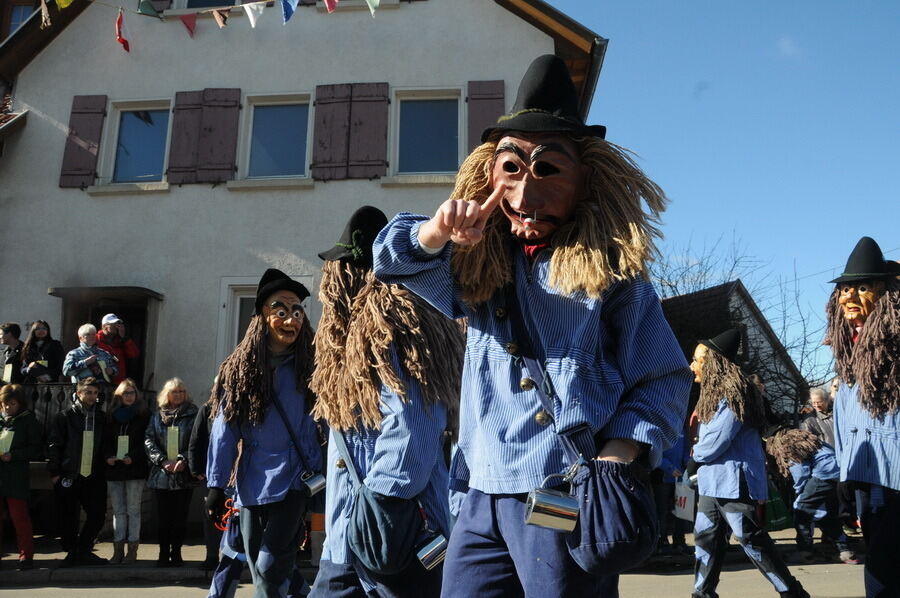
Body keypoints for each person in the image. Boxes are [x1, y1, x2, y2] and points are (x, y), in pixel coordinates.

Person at [373, 54, 692, 597]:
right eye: (512, 169)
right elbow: (396, 264)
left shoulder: (613, 276)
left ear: (585, 180)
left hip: (561, 492)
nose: (525, 193)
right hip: (478, 496)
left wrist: (618, 453)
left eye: (548, 169)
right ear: (488, 174)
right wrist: (436, 232)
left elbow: (664, 378)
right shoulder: (476, 266)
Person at [308, 207, 464, 597]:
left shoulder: (393, 321)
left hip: (393, 530)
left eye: (340, 269)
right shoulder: (350, 338)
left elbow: (414, 419)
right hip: (351, 536)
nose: (330, 280)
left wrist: (383, 500)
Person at [206, 268, 321, 598]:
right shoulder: (240, 370)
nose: (291, 320)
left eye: (297, 311)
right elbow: (224, 430)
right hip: (252, 483)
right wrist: (216, 484)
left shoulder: (313, 366)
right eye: (281, 311)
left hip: (296, 480)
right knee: (262, 563)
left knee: (270, 567)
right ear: (261, 316)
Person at [687, 329, 809, 598]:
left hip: (734, 482)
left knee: (751, 540)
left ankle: (791, 593)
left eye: (697, 359)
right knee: (705, 539)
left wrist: (695, 456)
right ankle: (702, 593)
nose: (692, 365)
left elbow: (719, 438)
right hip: (712, 481)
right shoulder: (712, 393)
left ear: (714, 362)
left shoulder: (736, 392)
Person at [825, 236, 900, 598]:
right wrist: (844, 471)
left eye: (862, 287)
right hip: (863, 476)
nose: (848, 297)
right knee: (882, 561)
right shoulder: (850, 357)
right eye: (844, 290)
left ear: (886, 294)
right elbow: (844, 418)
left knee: (885, 568)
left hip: (893, 477)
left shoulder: (895, 346)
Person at [765, 428, 857, 565]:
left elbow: (801, 472)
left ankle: (805, 552)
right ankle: (845, 551)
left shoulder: (788, 445)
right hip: (840, 474)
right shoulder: (811, 440)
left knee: (801, 510)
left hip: (822, 475)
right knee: (828, 514)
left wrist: (800, 491)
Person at [47, 377, 109, 566]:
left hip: (94, 474)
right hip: (69, 474)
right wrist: (55, 473)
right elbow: (54, 445)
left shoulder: (101, 417)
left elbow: (106, 444)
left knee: (97, 515)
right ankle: (72, 552)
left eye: (95, 393)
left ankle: (83, 549)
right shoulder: (65, 416)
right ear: (79, 392)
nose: (92, 396)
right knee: (68, 517)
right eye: (88, 392)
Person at [144, 377, 198, 567]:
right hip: (162, 475)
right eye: (175, 391)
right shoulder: (157, 416)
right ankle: (163, 553)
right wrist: (162, 460)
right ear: (167, 394)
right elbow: (149, 440)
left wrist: (184, 459)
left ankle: (176, 553)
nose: (179, 395)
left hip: (184, 475)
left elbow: (196, 441)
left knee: (180, 517)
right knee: (164, 517)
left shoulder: (193, 414)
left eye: (182, 391)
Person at [103, 378, 149, 564]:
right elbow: (104, 441)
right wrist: (108, 456)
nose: (129, 396)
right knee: (118, 511)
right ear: (119, 396)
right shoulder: (111, 416)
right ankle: (118, 549)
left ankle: (132, 550)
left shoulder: (144, 415)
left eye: (131, 393)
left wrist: (134, 456)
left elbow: (146, 441)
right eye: (125, 393)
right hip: (115, 469)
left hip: (134, 469)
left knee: (133, 510)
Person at [0, 384, 42, 570]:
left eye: (12, 404)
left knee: (20, 518)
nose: (8, 408)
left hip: (15, 475)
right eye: (4, 404)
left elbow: (36, 448)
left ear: (20, 403)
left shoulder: (28, 421)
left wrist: (14, 455)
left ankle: (26, 556)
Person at [190, 395, 222, 571]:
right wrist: (196, 469)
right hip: (210, 473)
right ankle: (211, 555)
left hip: (237, 472)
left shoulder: (242, 405)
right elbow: (196, 439)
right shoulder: (207, 408)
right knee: (211, 514)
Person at [96, 314, 140, 387]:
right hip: (100, 383)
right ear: (105, 326)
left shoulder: (121, 341)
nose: (117, 327)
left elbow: (134, 354)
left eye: (118, 324)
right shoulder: (95, 340)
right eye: (114, 324)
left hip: (118, 384)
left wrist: (124, 338)